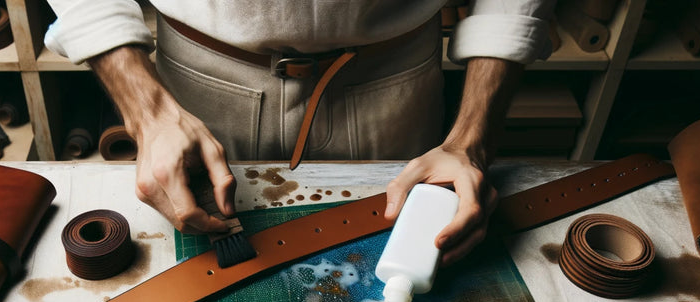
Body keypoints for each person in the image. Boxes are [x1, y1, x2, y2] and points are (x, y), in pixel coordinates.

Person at [46, 1, 555, 264]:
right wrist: (150, 112)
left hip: (394, 78)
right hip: (200, 80)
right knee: (204, 234)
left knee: (407, 244)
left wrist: (469, 140)